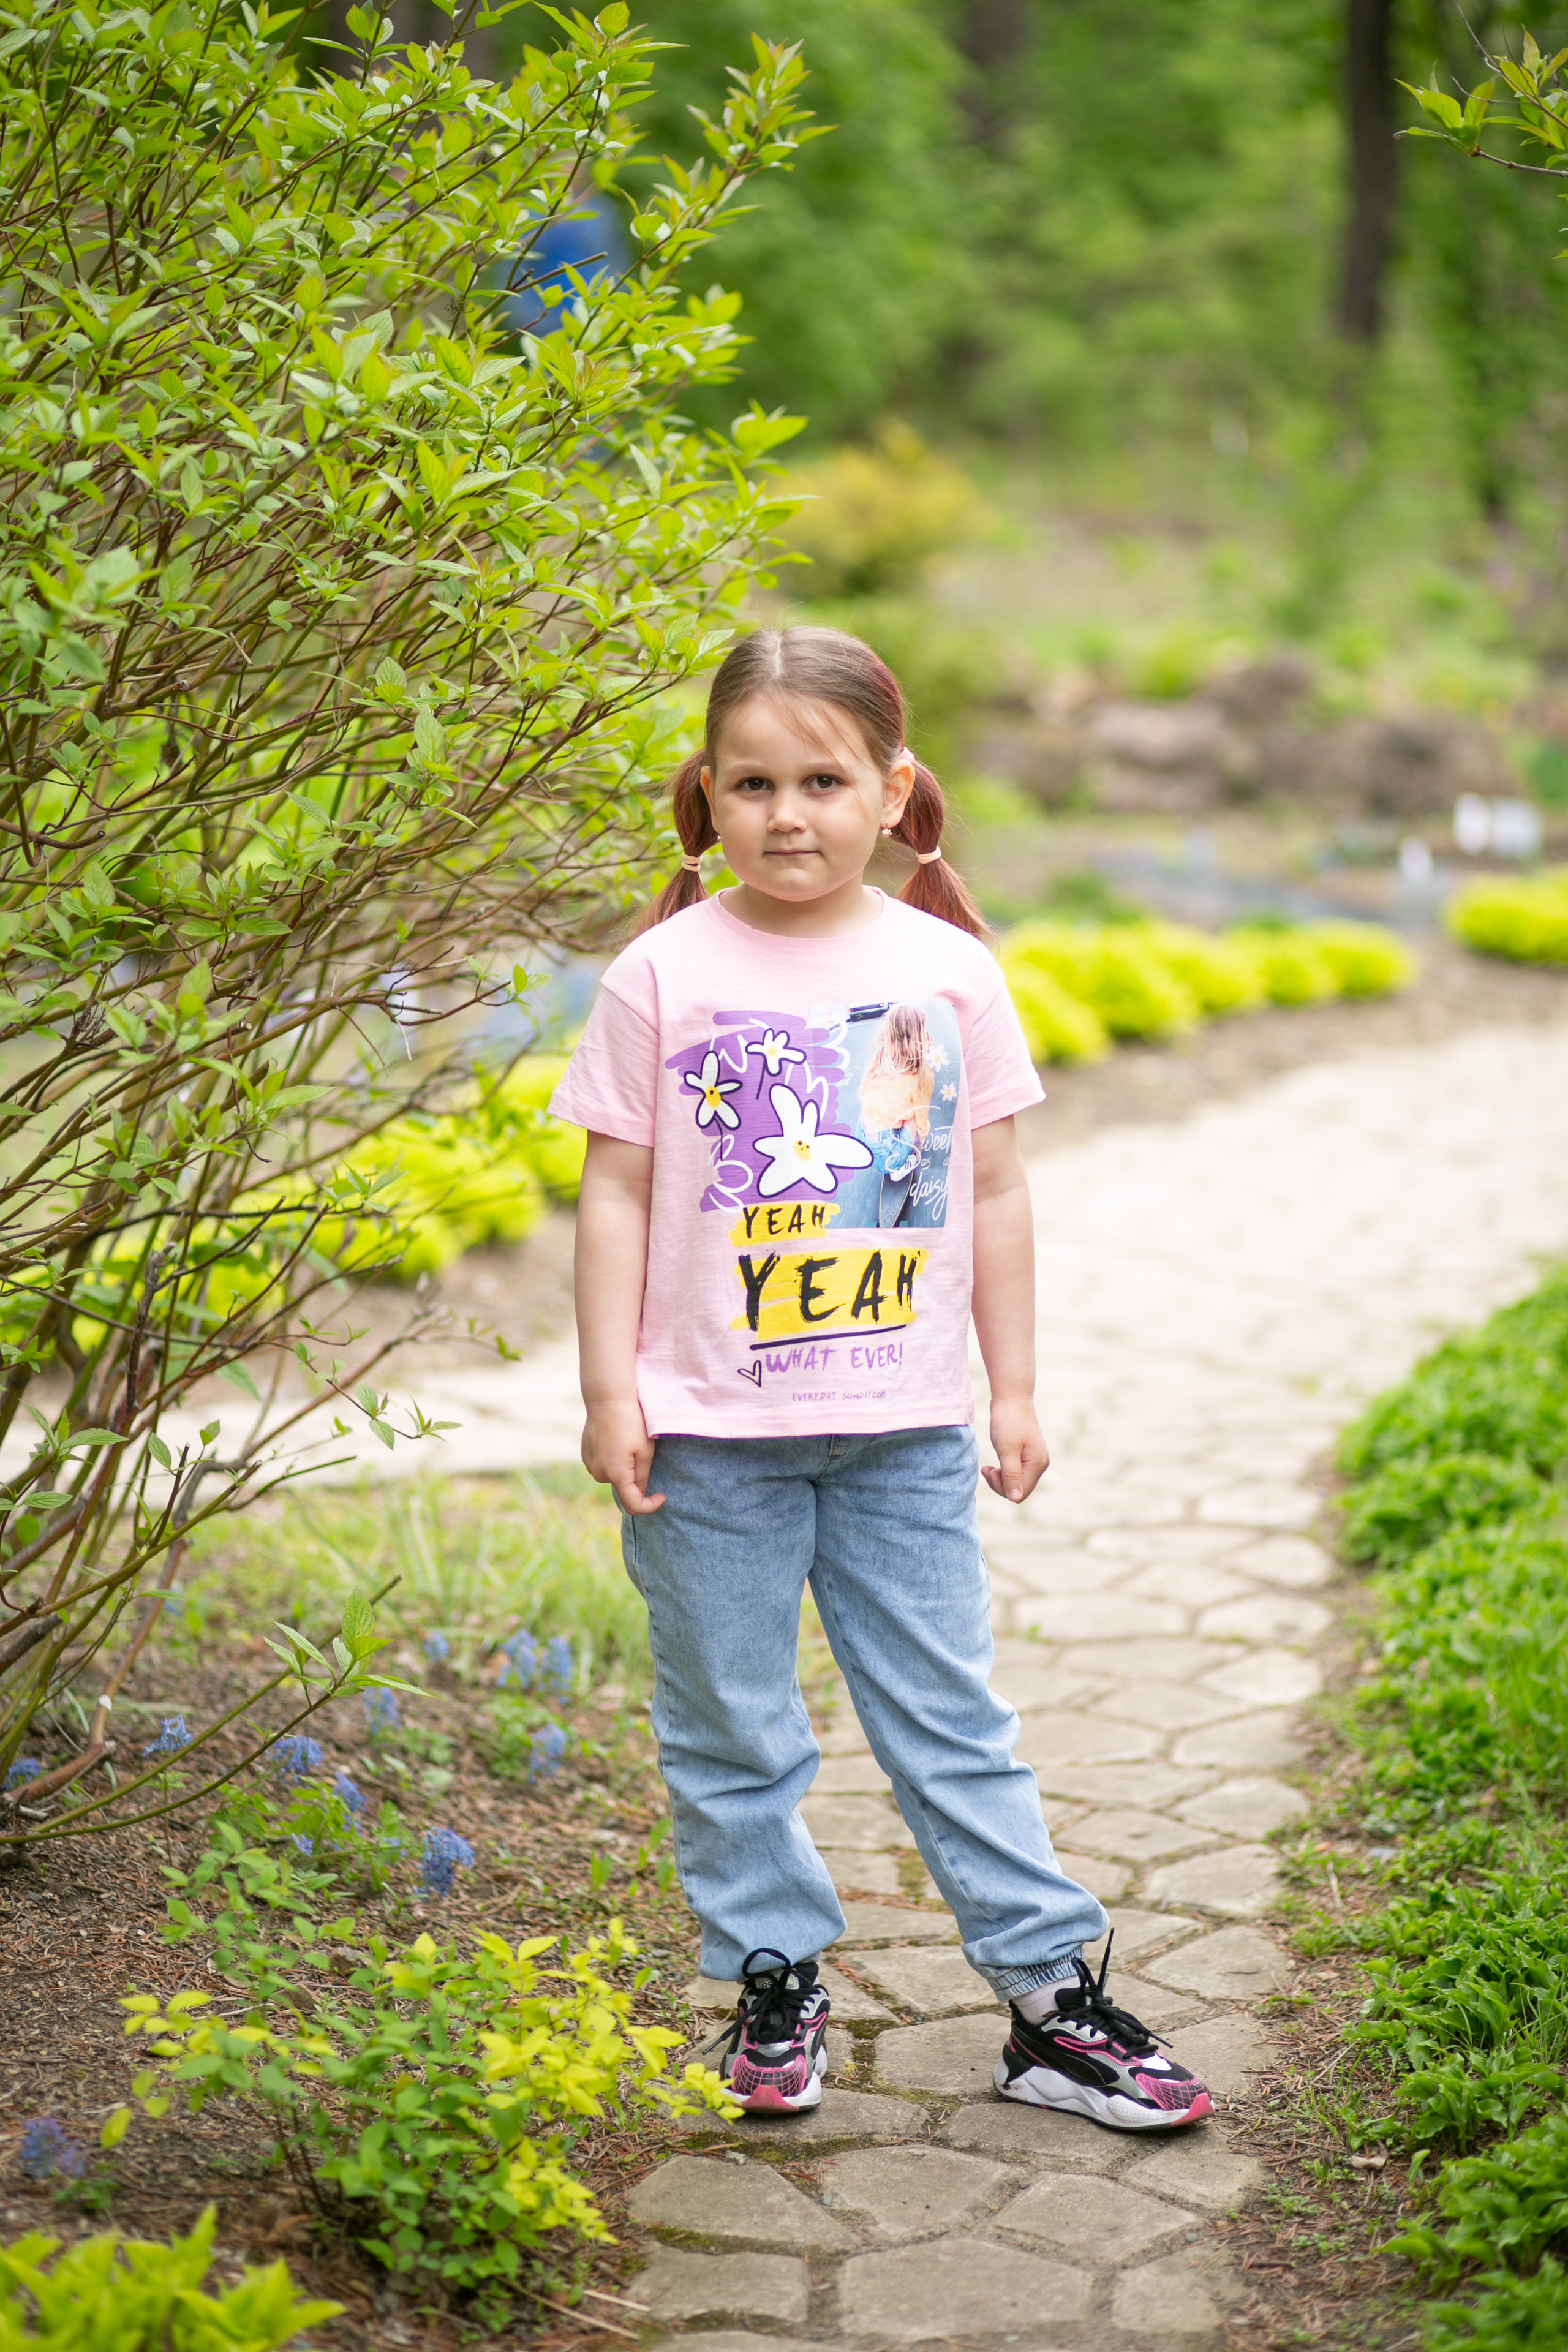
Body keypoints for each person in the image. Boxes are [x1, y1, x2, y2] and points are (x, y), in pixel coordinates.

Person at [550, 625, 1212, 2133]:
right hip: (710, 1439)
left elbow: (989, 1195)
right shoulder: (664, 972)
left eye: (822, 781)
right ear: (704, 795)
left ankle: (1048, 2000)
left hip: (905, 1432)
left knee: (949, 1716)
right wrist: (610, 1391)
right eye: (751, 784)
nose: (787, 815)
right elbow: (611, 1196)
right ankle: (773, 1976)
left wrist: (1016, 1389)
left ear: (892, 788)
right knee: (728, 1720)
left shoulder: (943, 969)